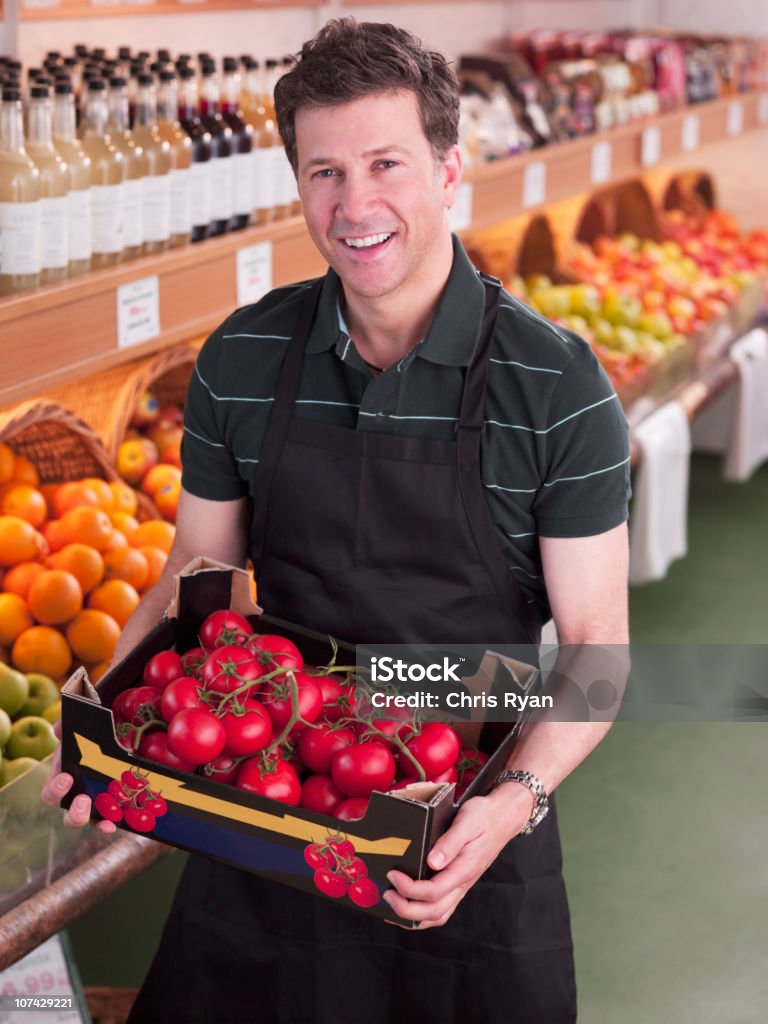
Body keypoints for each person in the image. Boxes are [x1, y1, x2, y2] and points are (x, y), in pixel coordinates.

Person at [43, 19, 630, 1023]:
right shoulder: (244, 355)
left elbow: (596, 647)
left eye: (386, 164)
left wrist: (511, 808)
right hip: (265, 802)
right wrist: (99, 719)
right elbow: (196, 569)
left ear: (450, 171)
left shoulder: (556, 384)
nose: (355, 206)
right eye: (324, 172)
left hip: (459, 833)